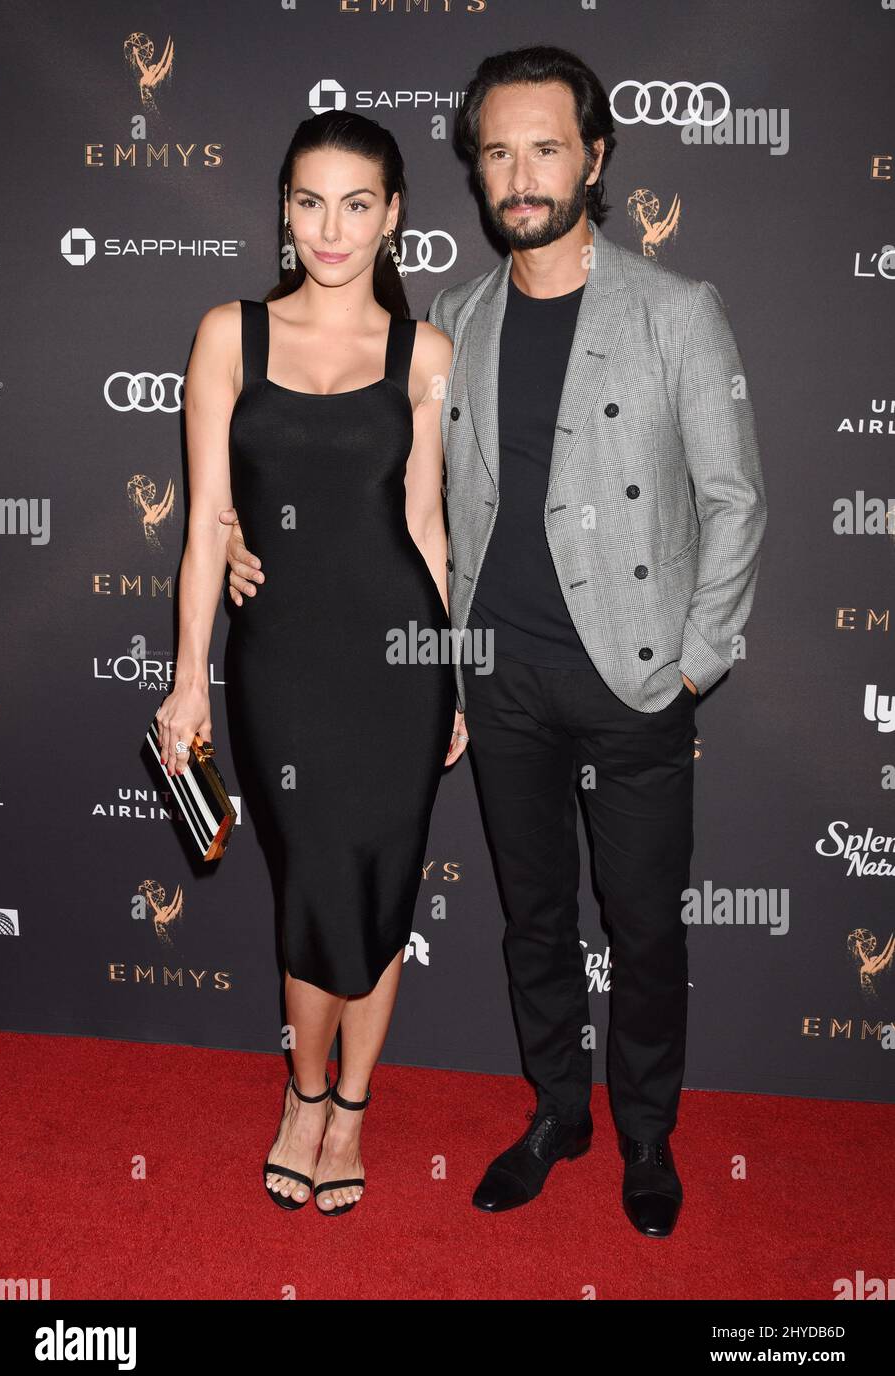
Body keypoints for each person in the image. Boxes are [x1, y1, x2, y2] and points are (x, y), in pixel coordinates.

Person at [221, 46, 767, 1238]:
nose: (521, 173)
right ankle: (557, 1114)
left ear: (596, 157)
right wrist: (235, 536)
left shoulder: (675, 312)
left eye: (547, 146)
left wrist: (692, 661)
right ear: (474, 171)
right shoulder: (455, 320)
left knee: (643, 923)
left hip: (633, 682)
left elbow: (733, 499)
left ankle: (647, 1136)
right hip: (495, 677)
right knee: (532, 919)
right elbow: (416, 512)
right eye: (498, 151)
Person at [154, 110, 464, 1217]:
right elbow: (204, 527)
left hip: (401, 662)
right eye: (307, 201)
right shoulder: (227, 334)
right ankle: (301, 1091)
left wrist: (454, 675)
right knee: (313, 885)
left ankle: (353, 1108)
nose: (330, 228)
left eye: (356, 203)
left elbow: (428, 531)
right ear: (283, 210)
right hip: (284, 662)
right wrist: (191, 675)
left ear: (394, 218)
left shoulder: (423, 352)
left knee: (383, 887)